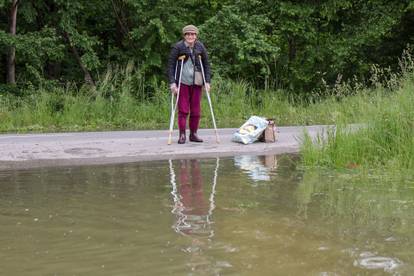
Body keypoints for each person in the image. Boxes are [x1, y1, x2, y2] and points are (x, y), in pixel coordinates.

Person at [167, 25, 211, 144]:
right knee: (183, 110)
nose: (190, 36)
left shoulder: (200, 46)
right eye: (188, 34)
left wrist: (207, 81)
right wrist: (172, 83)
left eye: (193, 34)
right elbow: (171, 65)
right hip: (182, 82)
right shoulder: (178, 47)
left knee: (196, 110)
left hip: (197, 82)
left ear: (196, 36)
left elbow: (206, 64)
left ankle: (193, 134)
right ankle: (182, 135)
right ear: (184, 36)